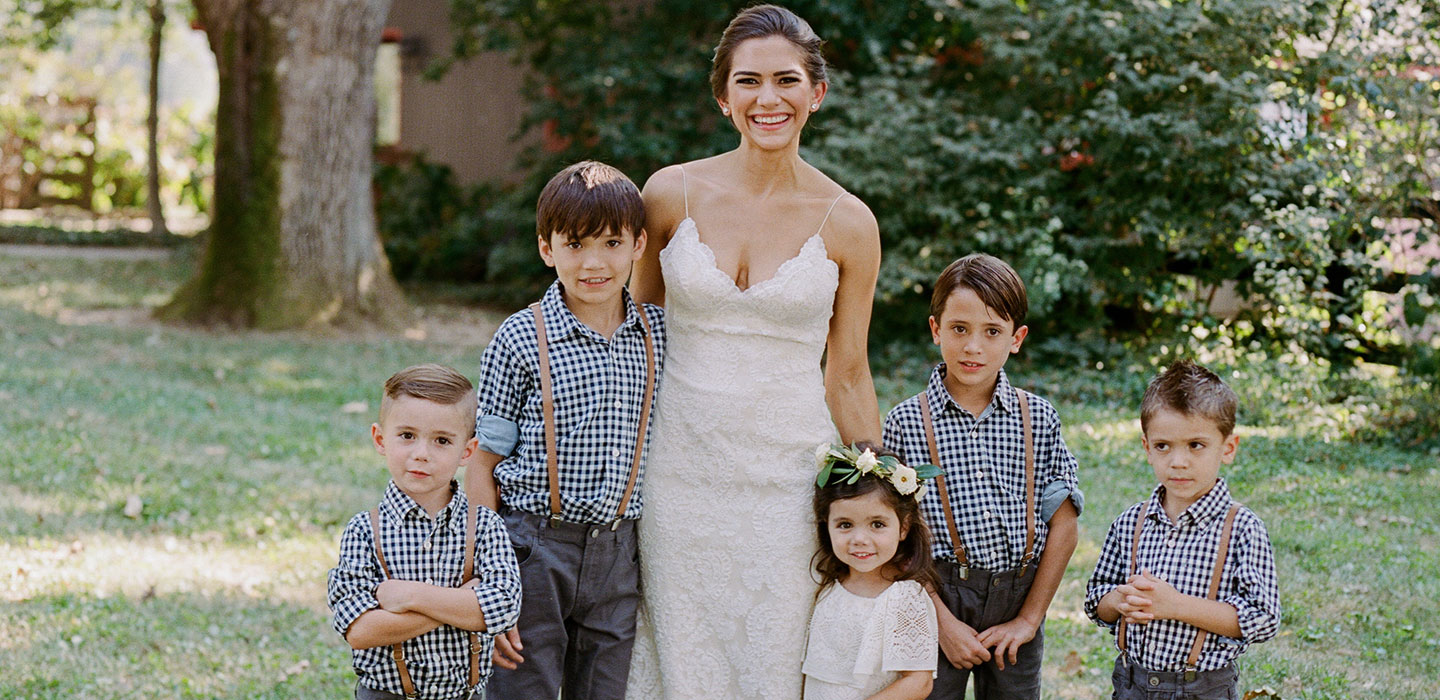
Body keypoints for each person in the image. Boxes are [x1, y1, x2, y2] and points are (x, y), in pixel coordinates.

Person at [623, 5, 883, 699]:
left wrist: (878, 491)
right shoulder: (668, 193)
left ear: (816, 93)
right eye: (749, 82)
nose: (768, 99)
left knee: (775, 654)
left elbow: (850, 371)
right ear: (723, 97)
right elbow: (635, 339)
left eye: (787, 80)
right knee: (680, 649)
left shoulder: (849, 222)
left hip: (787, 478)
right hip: (679, 470)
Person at [470, 161, 665, 700]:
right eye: (575, 245)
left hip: (617, 556)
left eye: (610, 243)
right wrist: (491, 576)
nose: (594, 262)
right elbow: (484, 461)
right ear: (546, 249)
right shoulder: (520, 338)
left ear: (639, 245)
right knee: (522, 688)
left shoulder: (658, 336)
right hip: (534, 548)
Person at [882, 254, 1082, 700]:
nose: (973, 346)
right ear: (936, 330)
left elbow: (1064, 526)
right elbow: (895, 538)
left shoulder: (1039, 419)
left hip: (1018, 595)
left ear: (1016, 339)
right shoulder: (906, 422)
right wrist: (942, 624)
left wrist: (1029, 620)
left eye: (992, 332)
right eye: (959, 329)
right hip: (936, 594)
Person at [1085, 360, 1280, 700]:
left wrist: (1174, 605)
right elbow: (1096, 601)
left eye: (1195, 445)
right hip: (1133, 683)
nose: (1178, 461)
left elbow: (1262, 618)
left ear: (1228, 448)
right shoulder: (1131, 522)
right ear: (1147, 448)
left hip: (1202, 688)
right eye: (1163, 446)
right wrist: (1121, 599)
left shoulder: (1242, 528)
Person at [328, 364, 522, 700]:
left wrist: (409, 597)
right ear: (380, 439)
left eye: (442, 441)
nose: (421, 454)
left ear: (467, 451)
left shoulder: (485, 526)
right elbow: (360, 630)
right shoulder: (364, 531)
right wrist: (462, 603)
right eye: (407, 436)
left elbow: (504, 608)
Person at [804, 442, 941, 700]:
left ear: (903, 527)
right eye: (845, 524)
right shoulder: (828, 584)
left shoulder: (904, 598)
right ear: (827, 525)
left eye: (877, 524)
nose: (860, 539)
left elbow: (918, 682)